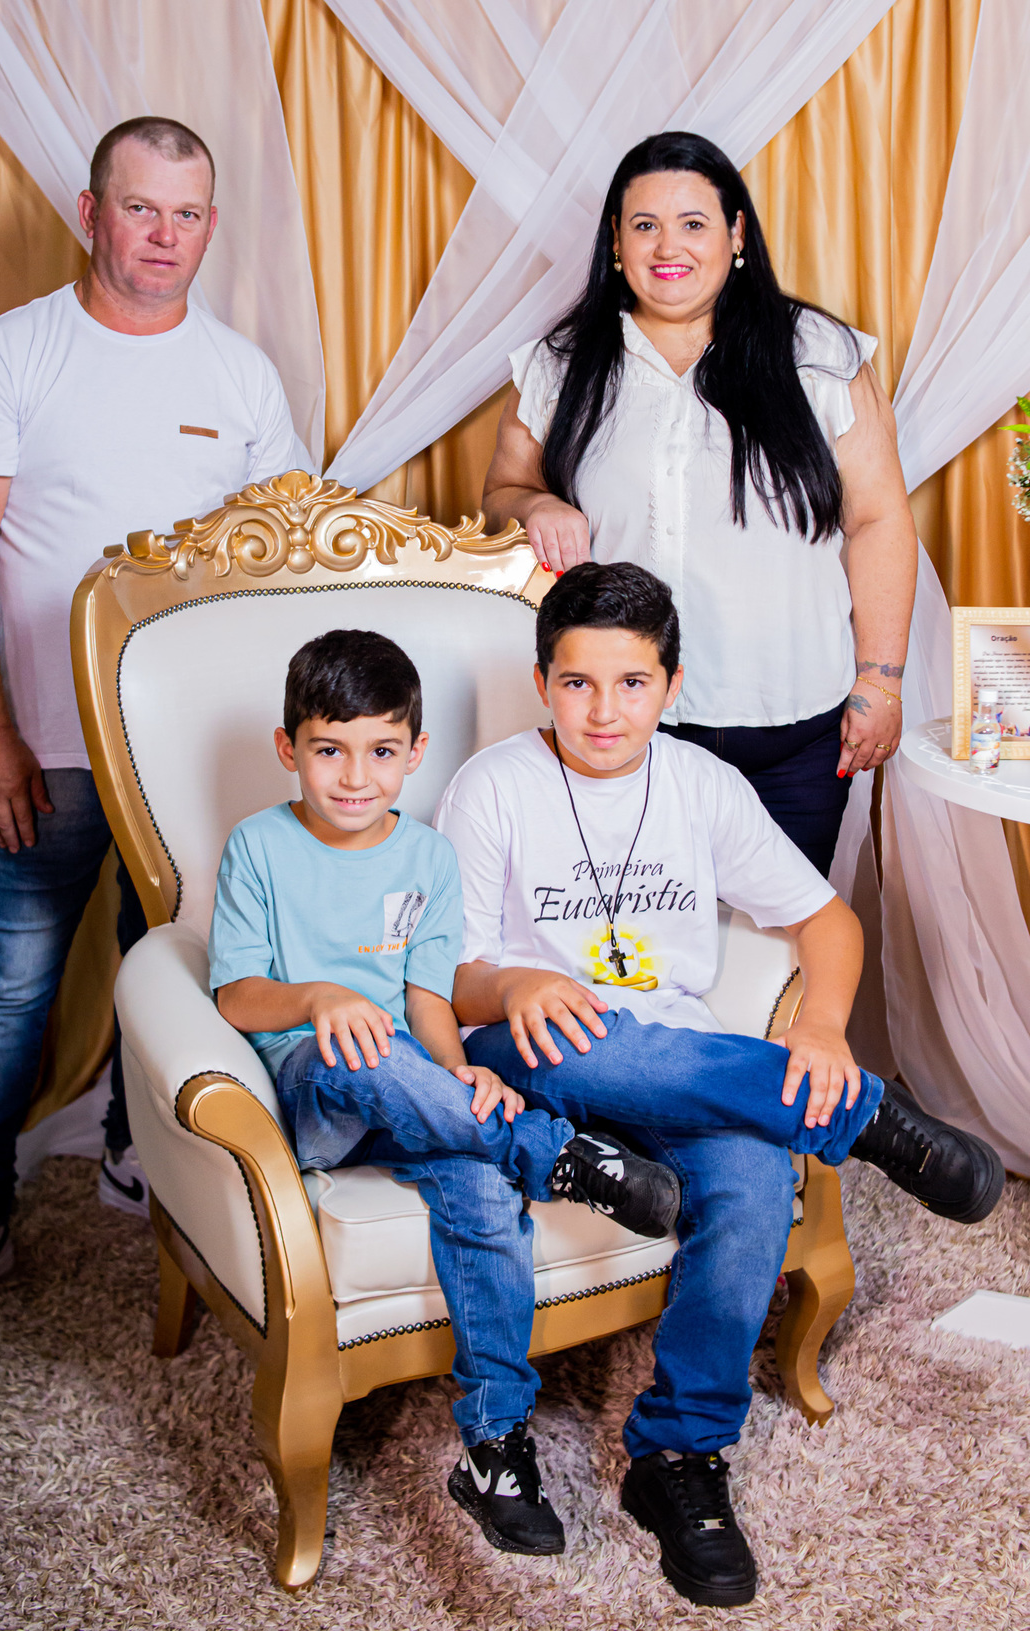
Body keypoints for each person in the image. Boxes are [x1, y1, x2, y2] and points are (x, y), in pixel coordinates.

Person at [436, 561, 1003, 1608]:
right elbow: (452, 975)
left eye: (632, 683)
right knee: (588, 1039)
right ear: (541, 682)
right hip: (537, 1055)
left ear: (673, 684)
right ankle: (868, 1117)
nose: (604, 711)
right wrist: (514, 980)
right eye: (577, 683)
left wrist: (822, 1028)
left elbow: (825, 920)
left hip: (681, 1063)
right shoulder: (493, 785)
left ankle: (678, 1456)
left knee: (748, 1180)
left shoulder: (701, 782)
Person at [0, 116, 311, 1343]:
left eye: (187, 214)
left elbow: (278, 569)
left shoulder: (240, 375)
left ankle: (137, 1152)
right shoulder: (12, 353)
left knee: (171, 968)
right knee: (11, 987)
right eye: (139, 208)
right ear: (90, 212)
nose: (164, 236)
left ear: (210, 228)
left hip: (192, 760)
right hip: (51, 750)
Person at [210, 629, 681, 1558]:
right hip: (317, 1087)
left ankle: (495, 1446)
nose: (356, 776)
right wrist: (318, 998)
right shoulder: (258, 846)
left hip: (416, 1091)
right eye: (329, 750)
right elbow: (234, 994)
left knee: (479, 1185)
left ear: (415, 752)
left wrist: (460, 1068)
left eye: (381, 751)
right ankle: (557, 1153)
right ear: (287, 748)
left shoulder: (426, 856)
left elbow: (428, 998)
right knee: (363, 1051)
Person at [482, 131, 918, 876]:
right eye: (644, 225)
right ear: (615, 241)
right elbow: (499, 496)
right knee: (633, 934)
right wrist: (534, 504)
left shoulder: (819, 354)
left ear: (736, 233)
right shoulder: (559, 365)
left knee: (784, 937)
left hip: (797, 735)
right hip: (625, 732)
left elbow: (877, 518)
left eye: (693, 223)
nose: (667, 247)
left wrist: (881, 680)